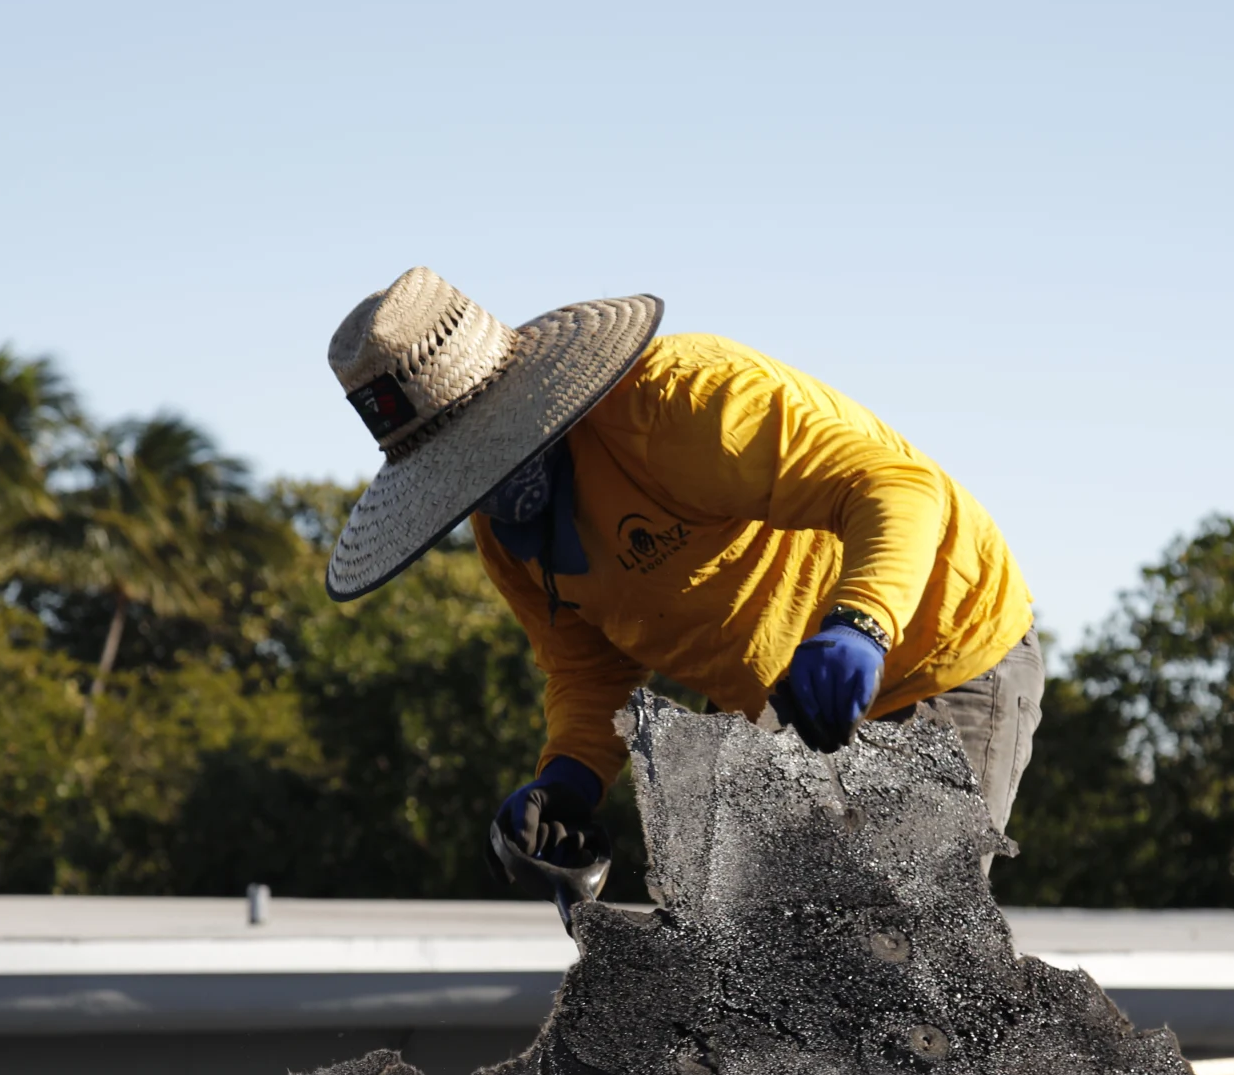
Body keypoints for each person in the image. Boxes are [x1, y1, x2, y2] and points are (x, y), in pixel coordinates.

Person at [322, 268, 1039, 885]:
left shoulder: (679, 401)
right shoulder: (508, 534)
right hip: (781, 709)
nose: (482, 486)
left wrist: (861, 624)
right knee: (743, 972)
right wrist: (568, 779)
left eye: (487, 452)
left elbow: (898, 487)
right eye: (459, 473)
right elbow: (586, 668)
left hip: (940, 652)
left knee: (901, 950)